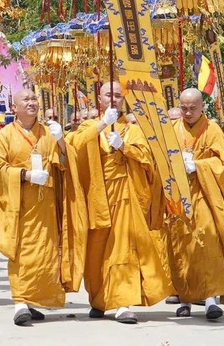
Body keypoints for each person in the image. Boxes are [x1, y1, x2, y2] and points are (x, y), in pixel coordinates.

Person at [67, 81, 172, 324]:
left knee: (122, 248)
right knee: (96, 254)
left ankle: (122, 303)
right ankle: (100, 299)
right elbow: (74, 146)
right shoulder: (88, 125)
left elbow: (147, 159)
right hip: (96, 197)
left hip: (125, 194)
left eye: (117, 95)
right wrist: (102, 124)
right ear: (99, 97)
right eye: (108, 95)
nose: (113, 99)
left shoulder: (132, 129)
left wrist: (124, 147)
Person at [0, 89, 80, 326]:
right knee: (21, 251)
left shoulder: (48, 132)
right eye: (26, 100)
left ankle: (32, 300)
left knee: (46, 253)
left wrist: (61, 140)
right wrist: (25, 174)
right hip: (19, 205)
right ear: (14, 107)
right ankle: (20, 302)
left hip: (46, 205)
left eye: (34, 99)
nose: (31, 103)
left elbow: (67, 162)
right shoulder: (4, 137)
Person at [166, 88, 224, 320]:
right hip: (180, 198)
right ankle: (185, 299)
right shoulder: (173, 130)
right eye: (184, 108)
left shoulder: (212, 129)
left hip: (205, 195)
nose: (187, 113)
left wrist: (198, 165)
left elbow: (223, 162)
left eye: (192, 108)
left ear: (202, 108)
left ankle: (210, 300)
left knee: (208, 241)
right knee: (183, 247)